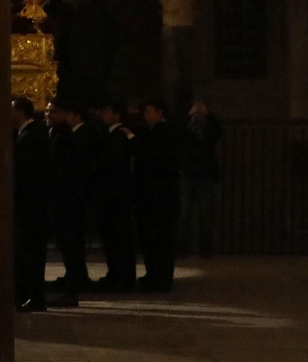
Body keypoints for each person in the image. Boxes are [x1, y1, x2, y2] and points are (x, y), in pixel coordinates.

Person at [46, 98, 93, 304]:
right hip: (65, 200)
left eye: (53, 112)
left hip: (68, 201)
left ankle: (72, 290)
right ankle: (72, 283)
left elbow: (64, 171)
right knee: (68, 246)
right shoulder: (59, 135)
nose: (48, 115)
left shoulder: (65, 138)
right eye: (47, 112)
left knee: (71, 245)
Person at [135, 98, 181, 292]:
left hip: (161, 196)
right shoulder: (152, 133)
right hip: (152, 195)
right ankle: (152, 274)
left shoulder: (166, 133)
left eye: (149, 111)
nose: (145, 115)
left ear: (160, 112)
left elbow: (155, 159)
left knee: (161, 239)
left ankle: (161, 279)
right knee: (151, 238)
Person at [12, 96, 52, 311]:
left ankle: (34, 297)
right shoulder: (28, 135)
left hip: (32, 206)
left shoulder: (31, 137)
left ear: (21, 112)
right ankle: (29, 295)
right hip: (31, 205)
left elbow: (28, 174)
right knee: (28, 253)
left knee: (31, 253)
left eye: (12, 110)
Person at [94, 100, 138, 292]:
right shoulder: (111, 135)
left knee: (119, 237)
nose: (103, 115)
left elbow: (112, 165)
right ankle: (116, 274)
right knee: (112, 237)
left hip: (116, 194)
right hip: (112, 194)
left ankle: (122, 277)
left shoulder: (119, 136)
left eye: (107, 111)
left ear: (117, 115)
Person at [179, 99, 224, 259]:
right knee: (186, 215)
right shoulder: (189, 130)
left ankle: (202, 250)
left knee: (203, 215)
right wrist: (193, 116)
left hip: (200, 175)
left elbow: (219, 130)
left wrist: (207, 115)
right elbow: (179, 131)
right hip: (192, 174)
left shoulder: (208, 131)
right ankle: (185, 249)